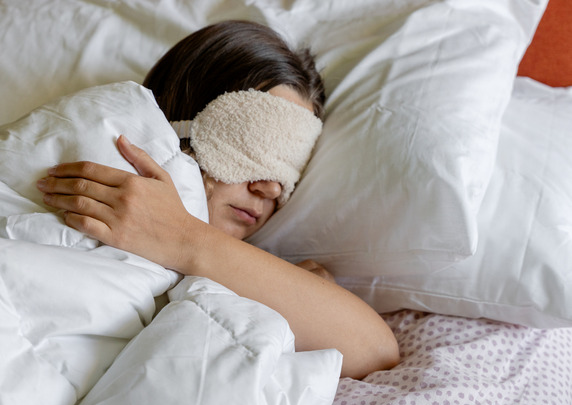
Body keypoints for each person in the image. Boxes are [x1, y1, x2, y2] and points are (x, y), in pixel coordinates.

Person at [36, 20, 399, 379]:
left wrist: (183, 238)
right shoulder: (83, 159)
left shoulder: (233, 265)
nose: (270, 189)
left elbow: (376, 353)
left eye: (290, 169)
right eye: (256, 146)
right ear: (181, 118)